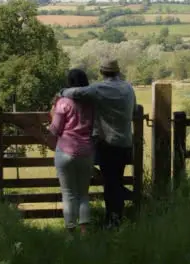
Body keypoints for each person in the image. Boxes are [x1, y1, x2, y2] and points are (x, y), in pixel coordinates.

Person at [58, 59, 136, 228]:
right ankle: (117, 217)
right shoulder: (128, 88)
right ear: (118, 72)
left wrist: (62, 91)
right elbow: (135, 109)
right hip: (126, 142)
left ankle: (112, 220)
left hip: (107, 143)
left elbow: (77, 93)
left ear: (102, 72)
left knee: (110, 182)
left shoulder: (99, 88)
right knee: (117, 180)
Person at [48, 69, 95, 236]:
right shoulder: (92, 102)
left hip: (65, 151)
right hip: (87, 151)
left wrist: (52, 115)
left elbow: (55, 130)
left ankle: (70, 232)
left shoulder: (63, 102)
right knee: (83, 194)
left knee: (68, 194)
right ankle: (84, 232)